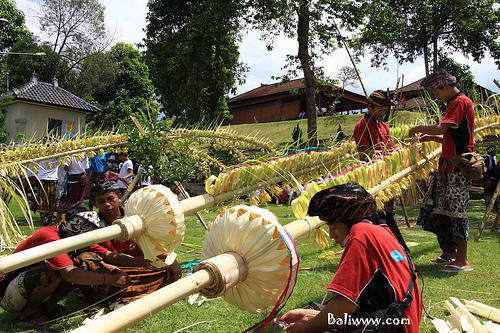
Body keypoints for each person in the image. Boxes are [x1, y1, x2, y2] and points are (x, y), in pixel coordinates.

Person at [275, 183, 422, 333]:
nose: (331, 235)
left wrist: (306, 328)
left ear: (350, 221)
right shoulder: (380, 232)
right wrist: (313, 316)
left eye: (333, 227)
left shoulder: (361, 234)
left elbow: (345, 304)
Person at [0, 210, 130, 328]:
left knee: (83, 262)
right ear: (71, 234)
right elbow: (69, 275)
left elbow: (107, 255)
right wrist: (109, 279)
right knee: (55, 271)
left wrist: (144, 262)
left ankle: (48, 309)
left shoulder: (72, 236)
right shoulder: (50, 237)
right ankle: (27, 315)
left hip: (21, 288)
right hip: (7, 293)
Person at [409, 69, 474, 272]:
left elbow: (442, 128)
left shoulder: (459, 102)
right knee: (436, 212)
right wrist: (431, 138)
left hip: (456, 168)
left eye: (436, 92)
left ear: (444, 86)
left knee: (456, 214)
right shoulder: (455, 103)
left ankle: (462, 261)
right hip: (447, 168)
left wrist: (419, 128)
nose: (436, 96)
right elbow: (453, 136)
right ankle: (451, 253)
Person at [90, 181, 182, 302]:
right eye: (101, 201)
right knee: (108, 278)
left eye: (111, 199)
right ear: (94, 204)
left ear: (119, 197)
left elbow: (157, 239)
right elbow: (108, 256)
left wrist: (170, 258)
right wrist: (144, 263)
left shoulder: (137, 214)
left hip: (141, 264)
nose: (107, 204)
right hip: (117, 269)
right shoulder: (92, 225)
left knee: (170, 269)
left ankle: (136, 291)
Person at [354, 90, 409, 252]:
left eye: (385, 110)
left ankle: (396, 249)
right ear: (369, 107)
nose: (383, 114)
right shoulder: (362, 125)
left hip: (387, 175)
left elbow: (390, 146)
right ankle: (398, 249)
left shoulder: (383, 125)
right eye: (380, 110)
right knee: (380, 216)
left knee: (389, 215)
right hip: (373, 176)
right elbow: (363, 154)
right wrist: (379, 154)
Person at [56, 153, 90, 223]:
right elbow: (86, 169)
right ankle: (77, 218)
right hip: (81, 179)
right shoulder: (84, 154)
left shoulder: (69, 155)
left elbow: (66, 168)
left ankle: (59, 219)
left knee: (66, 198)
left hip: (73, 179)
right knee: (79, 199)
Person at [35, 159, 59, 225]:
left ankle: (48, 219)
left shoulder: (57, 153)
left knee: (50, 200)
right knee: (42, 200)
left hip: (51, 178)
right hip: (44, 178)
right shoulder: (41, 152)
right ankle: (45, 220)